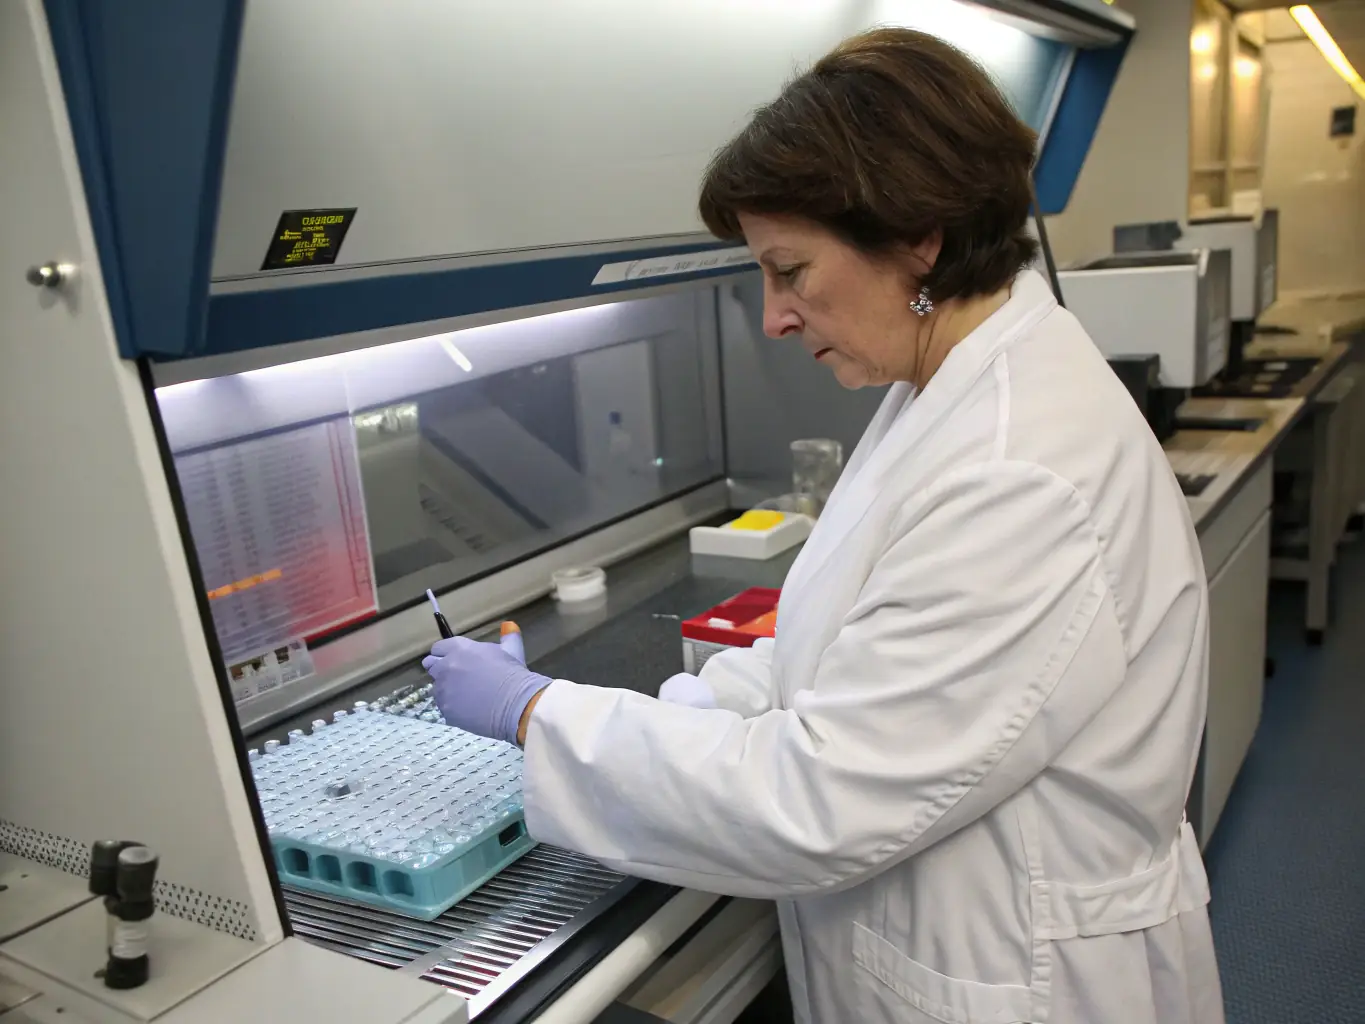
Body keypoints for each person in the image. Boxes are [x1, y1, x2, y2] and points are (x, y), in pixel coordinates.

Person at [423, 27, 1225, 1024]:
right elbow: (834, 652)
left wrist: (543, 718)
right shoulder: (947, 389)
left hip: (1017, 977)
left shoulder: (1021, 468)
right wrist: (662, 719)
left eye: (789, 269)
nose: (772, 317)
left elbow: (817, 799)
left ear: (917, 237)